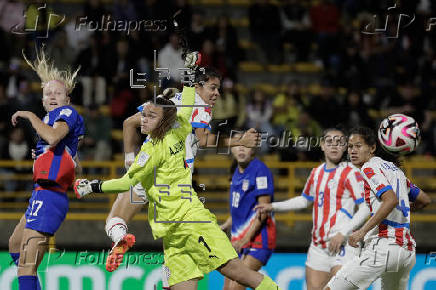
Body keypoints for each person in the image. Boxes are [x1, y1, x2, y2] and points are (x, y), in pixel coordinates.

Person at [74, 85, 280, 290]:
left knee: (239, 274)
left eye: (151, 117)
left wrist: (93, 186)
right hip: (172, 232)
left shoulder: (151, 151)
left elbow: (126, 182)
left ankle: (118, 234)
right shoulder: (181, 127)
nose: (143, 119)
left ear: (163, 121)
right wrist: (189, 79)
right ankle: (119, 235)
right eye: (144, 115)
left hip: (190, 222)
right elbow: (188, 103)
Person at [104, 66, 260, 274]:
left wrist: (129, 159)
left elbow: (128, 123)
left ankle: (119, 238)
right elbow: (204, 140)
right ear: (197, 86)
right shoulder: (201, 105)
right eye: (213, 88)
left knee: (115, 219)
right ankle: (174, 280)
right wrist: (241, 139)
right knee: (174, 244)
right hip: (175, 182)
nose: (217, 93)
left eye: (218, 89)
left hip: (149, 170)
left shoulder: (167, 101)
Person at [255, 127, 370, 290]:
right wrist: (273, 206)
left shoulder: (351, 173)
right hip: (318, 248)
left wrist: (343, 233)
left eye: (339, 143)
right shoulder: (316, 173)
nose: (334, 146)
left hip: (343, 245)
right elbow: (304, 200)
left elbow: (366, 208)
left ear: (345, 147)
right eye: (330, 142)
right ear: (322, 145)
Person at [8, 48, 84, 290]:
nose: (52, 96)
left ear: (67, 100)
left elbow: (53, 137)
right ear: (42, 100)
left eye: (58, 93)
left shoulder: (66, 114)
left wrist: (30, 115)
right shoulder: (52, 121)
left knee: (26, 266)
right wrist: (41, 157)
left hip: (50, 196)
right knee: (14, 246)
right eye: (48, 93)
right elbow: (71, 161)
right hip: (42, 194)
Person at [326, 127, 431, 290]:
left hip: (384, 246)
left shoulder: (370, 168)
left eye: (358, 146)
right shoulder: (397, 171)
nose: (353, 151)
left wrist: (362, 231)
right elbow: (424, 200)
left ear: (372, 148)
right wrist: (404, 210)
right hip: (406, 251)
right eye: (350, 147)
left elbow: (390, 200)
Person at [220, 133, 276, 290]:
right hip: (238, 239)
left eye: (246, 144)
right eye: (238, 144)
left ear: (254, 149)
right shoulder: (236, 172)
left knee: (236, 286)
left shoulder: (260, 170)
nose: (241, 148)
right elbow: (239, 209)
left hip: (259, 239)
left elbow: (263, 211)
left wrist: (245, 239)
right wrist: (225, 225)